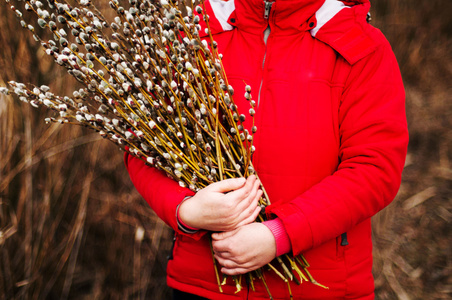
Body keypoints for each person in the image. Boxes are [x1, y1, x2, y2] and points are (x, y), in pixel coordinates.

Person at [125, 0, 409, 298]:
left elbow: (374, 167)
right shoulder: (191, 36)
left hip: (317, 288)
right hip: (205, 285)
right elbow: (144, 143)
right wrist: (185, 209)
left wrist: (279, 234)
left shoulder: (360, 46)